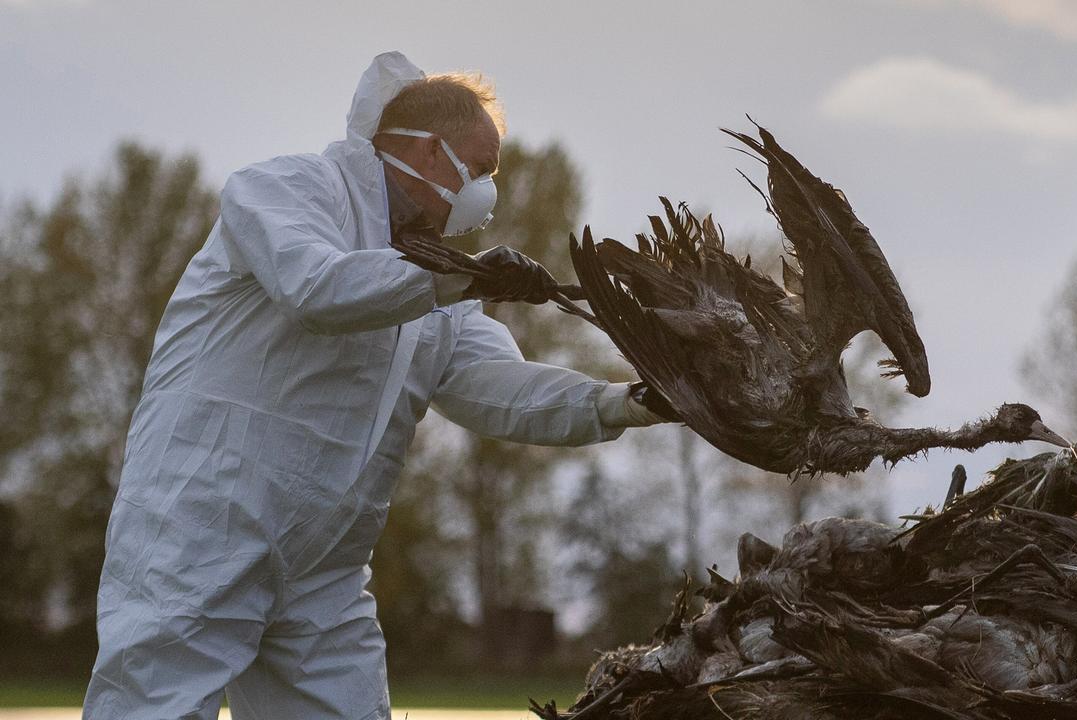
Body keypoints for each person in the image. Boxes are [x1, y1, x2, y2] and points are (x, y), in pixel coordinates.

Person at [83, 51, 672, 720]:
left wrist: (630, 401)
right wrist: (464, 276)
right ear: (428, 151)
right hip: (201, 532)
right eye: (480, 169)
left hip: (323, 570)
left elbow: (499, 389)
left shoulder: (434, 283)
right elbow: (317, 287)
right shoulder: (287, 191)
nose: (487, 191)